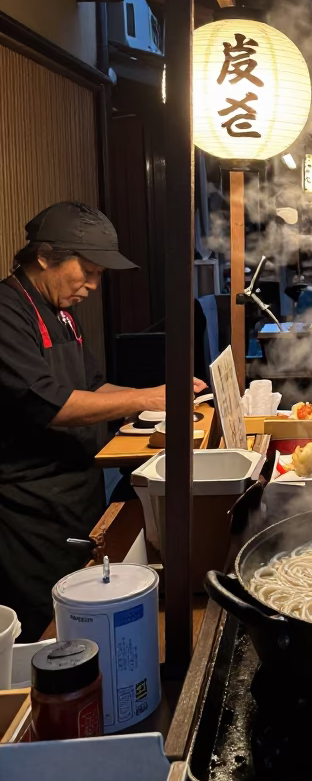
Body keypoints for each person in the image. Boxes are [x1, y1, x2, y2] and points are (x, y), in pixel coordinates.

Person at [0, 202, 206, 640]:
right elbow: (51, 404)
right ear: (44, 256)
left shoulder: (62, 314)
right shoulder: (6, 313)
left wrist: (158, 400)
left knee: (87, 615)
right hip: (29, 509)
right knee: (50, 627)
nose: (93, 285)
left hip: (79, 491)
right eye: (88, 271)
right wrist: (148, 396)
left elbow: (94, 389)